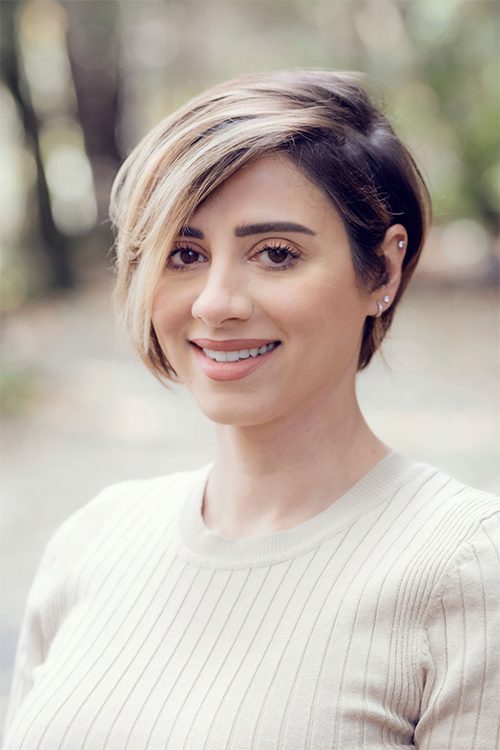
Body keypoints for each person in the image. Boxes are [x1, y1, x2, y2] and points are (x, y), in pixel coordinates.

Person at [3, 70, 499, 750]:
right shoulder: (92, 541)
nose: (215, 302)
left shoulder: (466, 572)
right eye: (184, 253)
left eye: (275, 253)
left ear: (382, 271)